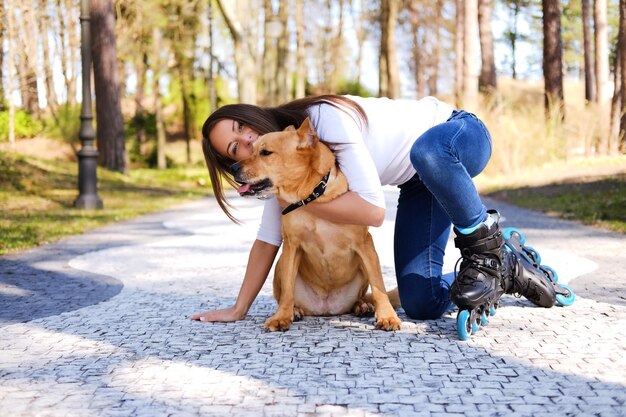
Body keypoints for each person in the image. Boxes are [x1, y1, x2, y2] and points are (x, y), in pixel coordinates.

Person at [191, 94, 567, 329]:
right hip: (419, 182)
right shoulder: (283, 166)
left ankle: (491, 252)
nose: (247, 141)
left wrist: (303, 203)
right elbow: (270, 239)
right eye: (235, 149)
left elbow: (371, 212)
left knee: (427, 151)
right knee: (419, 302)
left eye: (241, 127)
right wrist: (239, 308)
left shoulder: (321, 119)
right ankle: (512, 267)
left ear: (250, 113)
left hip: (457, 135)